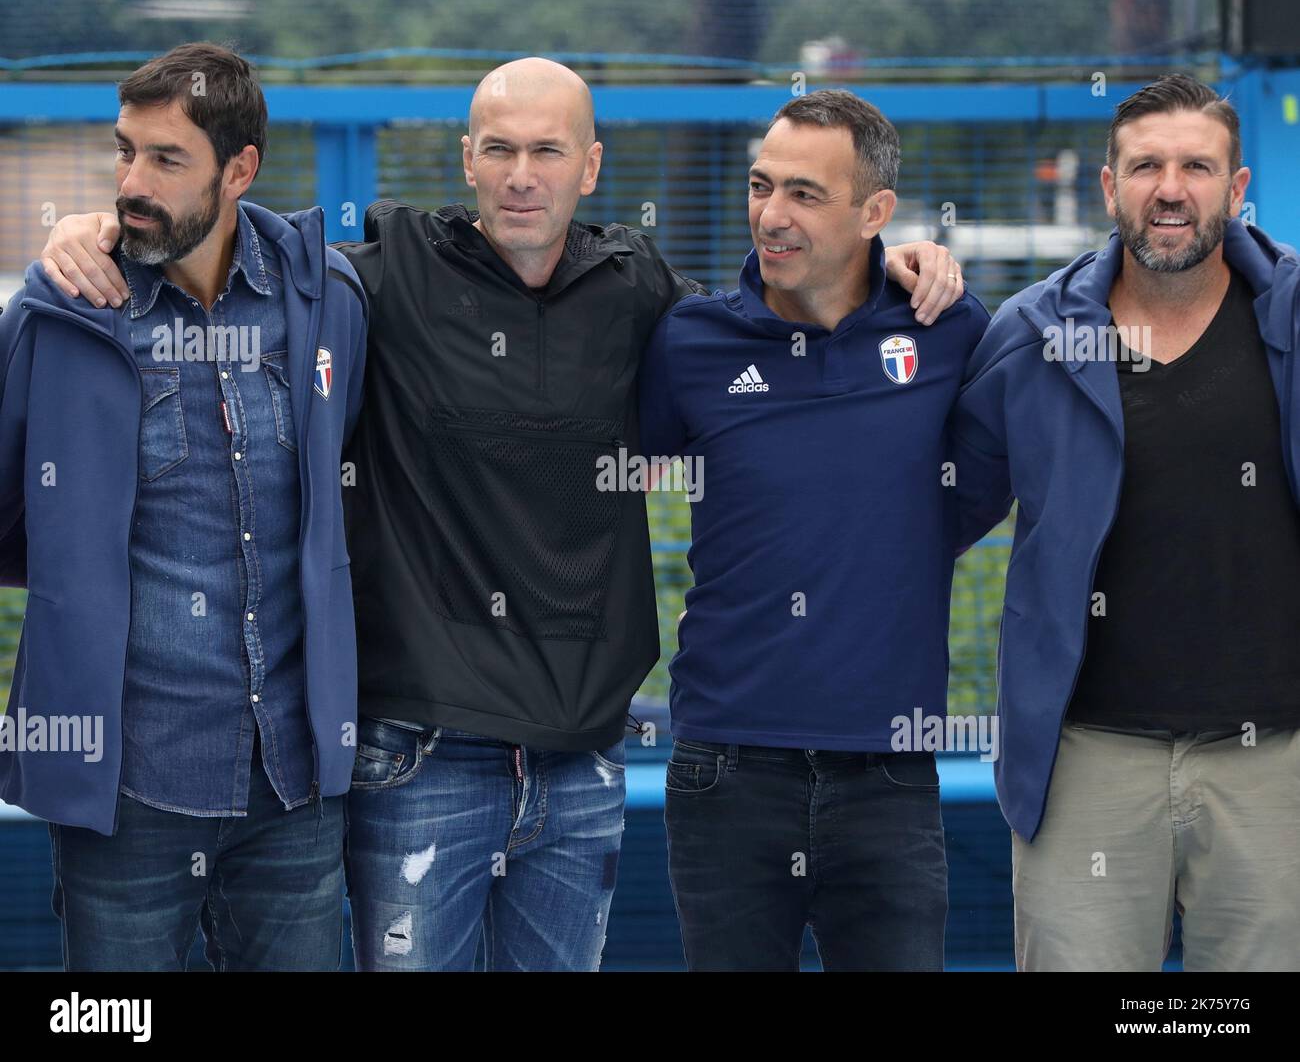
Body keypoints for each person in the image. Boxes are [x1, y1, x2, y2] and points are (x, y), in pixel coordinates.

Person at [40, 58, 964, 972]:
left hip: (581, 763)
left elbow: (773, 336)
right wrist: (102, 226)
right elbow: (231, 247)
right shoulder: (383, 276)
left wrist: (894, 268)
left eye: (548, 151)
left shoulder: (642, 294)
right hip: (420, 759)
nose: (523, 174)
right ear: (467, 161)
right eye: (500, 149)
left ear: (591, 168)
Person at [0, 43, 367, 971]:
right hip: (129, 791)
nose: (133, 182)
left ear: (240, 169)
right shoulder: (67, 310)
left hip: (294, 789)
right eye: (125, 152)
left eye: (167, 160)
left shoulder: (325, 302)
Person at [638, 89, 1006, 971]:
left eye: (805, 193)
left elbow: (982, 482)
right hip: (725, 766)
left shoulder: (947, 326)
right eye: (761, 186)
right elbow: (603, 486)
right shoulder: (690, 341)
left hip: (890, 767)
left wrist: (889, 545)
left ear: (877, 212)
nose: (772, 214)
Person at [953, 74, 1300, 971]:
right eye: (1146, 165)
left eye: (1196, 165)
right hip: (1087, 760)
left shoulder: (1293, 317)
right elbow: (933, 512)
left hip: (1276, 762)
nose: (1171, 188)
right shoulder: (1034, 336)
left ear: (1238, 185)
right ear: (1109, 188)